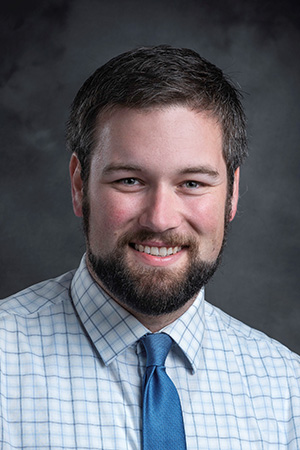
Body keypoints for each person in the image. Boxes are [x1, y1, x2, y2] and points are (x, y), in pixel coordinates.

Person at [0, 45, 299, 450]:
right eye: (129, 180)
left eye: (192, 183)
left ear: (232, 194)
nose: (160, 219)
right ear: (78, 185)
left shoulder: (288, 393)